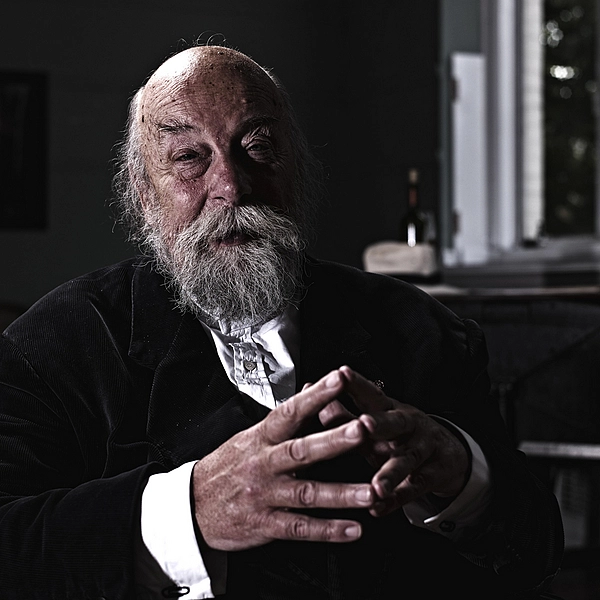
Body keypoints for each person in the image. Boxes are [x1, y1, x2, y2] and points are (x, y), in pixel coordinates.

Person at [0, 45, 562, 599]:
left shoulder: (423, 330)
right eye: (190, 157)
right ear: (145, 194)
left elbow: (535, 552)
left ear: (299, 172)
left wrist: (461, 475)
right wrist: (189, 511)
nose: (231, 186)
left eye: (259, 147)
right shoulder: (59, 344)